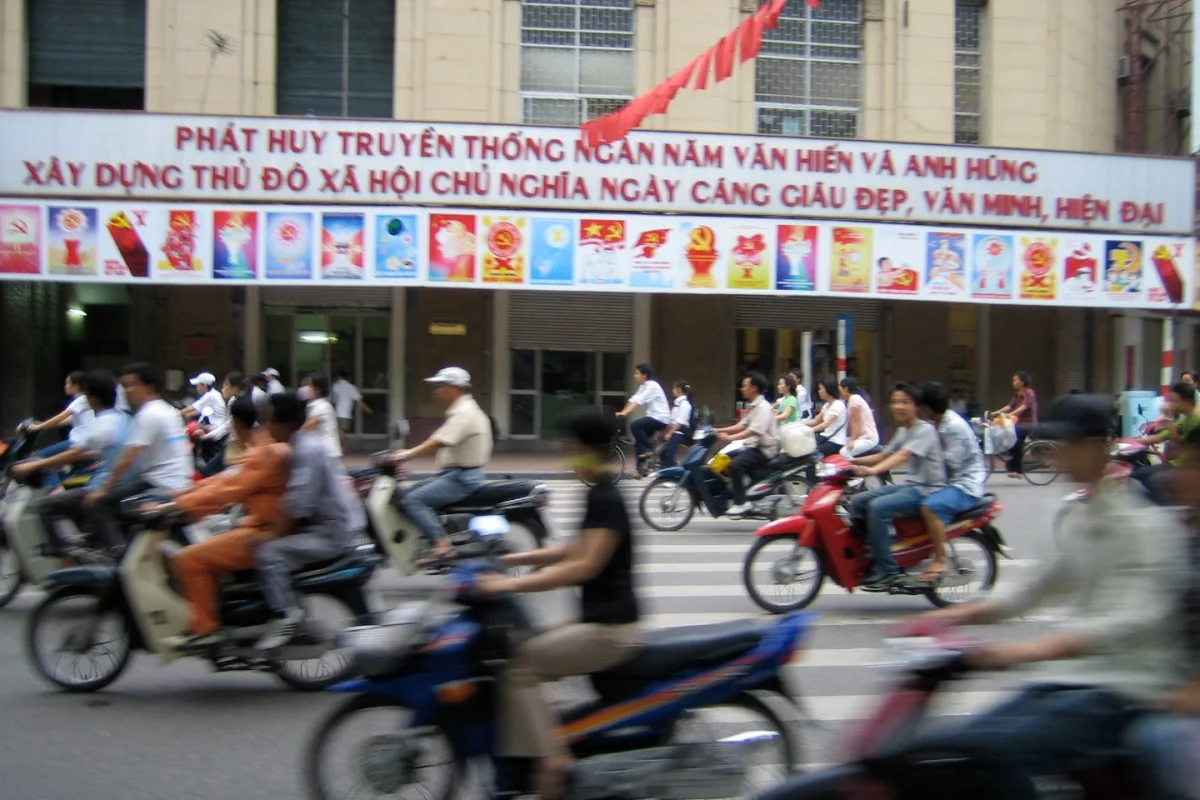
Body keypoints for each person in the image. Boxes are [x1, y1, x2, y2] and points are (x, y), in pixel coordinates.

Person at [896, 394, 1189, 798]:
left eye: (1072, 446)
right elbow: (1033, 592)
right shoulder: (1081, 517)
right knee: (960, 744)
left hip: (1123, 689)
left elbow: (1125, 619)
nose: (1061, 457)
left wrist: (1023, 652)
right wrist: (954, 617)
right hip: (1069, 682)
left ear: (1101, 447)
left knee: (998, 751)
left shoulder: (1145, 527)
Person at [474, 406, 642, 800]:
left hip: (611, 631)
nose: (567, 456)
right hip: (602, 621)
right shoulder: (600, 493)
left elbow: (583, 566)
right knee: (527, 643)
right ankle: (541, 741)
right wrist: (513, 559)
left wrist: (507, 586)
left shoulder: (605, 497)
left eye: (570, 447)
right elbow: (575, 549)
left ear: (588, 449)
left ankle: (552, 761)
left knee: (519, 668)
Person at [152, 397, 291, 649]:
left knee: (188, 559)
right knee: (209, 539)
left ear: (237, 423)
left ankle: (205, 628)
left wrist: (177, 505)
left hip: (263, 530)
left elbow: (227, 489)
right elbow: (224, 480)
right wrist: (183, 495)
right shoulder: (261, 447)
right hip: (257, 524)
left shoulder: (263, 452)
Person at [255, 391, 365, 649]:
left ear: (286, 424)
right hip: (325, 525)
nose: (267, 427)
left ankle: (288, 616)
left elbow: (298, 501)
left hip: (330, 533)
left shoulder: (306, 450)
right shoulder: (301, 445)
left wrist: (270, 535)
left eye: (270, 421)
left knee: (269, 554)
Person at [1125, 425, 1200, 799]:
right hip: (1163, 673)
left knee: (1156, 740)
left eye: (1192, 464)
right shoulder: (1178, 531)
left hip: (1185, 695)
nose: (1176, 474)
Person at [849, 382, 947, 590]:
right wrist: (850, 461)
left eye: (905, 402)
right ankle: (871, 551)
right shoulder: (904, 429)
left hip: (927, 491)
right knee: (858, 501)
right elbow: (885, 454)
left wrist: (873, 471)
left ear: (916, 406)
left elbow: (903, 455)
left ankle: (887, 570)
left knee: (878, 507)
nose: (899, 407)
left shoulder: (925, 430)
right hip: (911, 486)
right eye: (894, 402)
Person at [22, 370, 129, 559]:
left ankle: (62, 551)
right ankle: (87, 541)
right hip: (112, 479)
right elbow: (90, 451)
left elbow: (76, 453)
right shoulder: (122, 419)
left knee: (45, 506)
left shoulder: (104, 424)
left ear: (93, 397)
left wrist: (32, 466)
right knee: (75, 489)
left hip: (107, 485)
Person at [85, 362, 192, 550]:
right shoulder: (168, 410)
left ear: (148, 386)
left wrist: (102, 489)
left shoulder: (148, 414)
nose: (127, 391)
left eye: (131, 385)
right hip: (178, 481)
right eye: (124, 386)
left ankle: (118, 554)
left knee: (101, 504)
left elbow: (128, 458)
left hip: (160, 484)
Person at [393, 367, 493, 564]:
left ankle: (442, 545)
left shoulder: (465, 412)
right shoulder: (461, 410)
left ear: (454, 388)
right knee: (405, 496)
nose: (436, 390)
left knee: (414, 500)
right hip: (454, 474)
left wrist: (409, 453)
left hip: (462, 477)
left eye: (440, 385)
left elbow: (439, 440)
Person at [915, 381, 987, 583]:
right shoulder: (939, 422)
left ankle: (940, 559)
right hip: (953, 481)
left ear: (928, 407)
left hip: (965, 485)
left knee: (929, 507)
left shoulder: (952, 427)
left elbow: (950, 463)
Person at [714, 372, 780, 517]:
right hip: (754, 445)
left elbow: (752, 431)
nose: (742, 389)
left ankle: (741, 502)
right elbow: (741, 425)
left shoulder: (763, 407)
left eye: (745, 386)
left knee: (735, 466)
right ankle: (737, 492)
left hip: (765, 448)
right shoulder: (754, 406)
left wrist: (730, 437)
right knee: (724, 459)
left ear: (754, 388)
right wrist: (717, 430)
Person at [1132, 380, 1200, 505]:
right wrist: (1132, 441)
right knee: (1137, 474)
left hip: (1189, 467)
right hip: (1178, 463)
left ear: (1188, 401)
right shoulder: (1186, 418)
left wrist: (1169, 419)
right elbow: (1161, 437)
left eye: (1175, 401)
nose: (1171, 404)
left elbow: (1183, 449)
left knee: (1152, 480)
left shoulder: (1196, 421)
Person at [23, 371, 95, 482]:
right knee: (74, 473)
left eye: (67, 383)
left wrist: (39, 427)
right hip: (87, 444)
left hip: (77, 443)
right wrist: (43, 425)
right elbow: (68, 420)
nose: (65, 386)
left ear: (75, 386)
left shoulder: (80, 401)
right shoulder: (86, 400)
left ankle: (55, 488)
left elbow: (60, 417)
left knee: (40, 458)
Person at [617, 364, 671, 467]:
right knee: (639, 443)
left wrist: (625, 413)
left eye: (637, 373)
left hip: (660, 418)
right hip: (653, 417)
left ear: (644, 375)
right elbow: (633, 399)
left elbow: (638, 401)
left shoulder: (652, 386)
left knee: (635, 425)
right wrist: (622, 412)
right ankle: (640, 470)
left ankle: (650, 449)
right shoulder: (643, 386)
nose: (634, 375)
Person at [196, 371, 245, 478]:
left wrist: (207, 435)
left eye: (226, 384)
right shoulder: (233, 400)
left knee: (209, 472)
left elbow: (228, 425)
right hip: (230, 442)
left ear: (235, 387)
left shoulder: (240, 403)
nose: (224, 388)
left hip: (237, 445)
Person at [992, 371, 1038, 478]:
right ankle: (1012, 463)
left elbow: (1024, 407)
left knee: (1016, 440)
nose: (1013, 382)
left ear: (1022, 382)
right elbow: (1008, 406)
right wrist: (995, 413)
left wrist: (1010, 414)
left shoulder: (1029, 393)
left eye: (1015, 380)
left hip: (1028, 424)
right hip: (1019, 422)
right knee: (1006, 434)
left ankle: (1016, 469)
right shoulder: (1017, 393)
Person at [302, 372, 342, 458]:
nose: (305, 389)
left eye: (308, 386)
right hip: (321, 453)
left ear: (317, 390)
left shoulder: (321, 407)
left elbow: (307, 427)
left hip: (327, 454)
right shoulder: (314, 405)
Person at [808, 377, 848, 458]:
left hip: (835, 442)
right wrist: (799, 424)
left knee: (811, 454)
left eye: (821, 389)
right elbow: (816, 421)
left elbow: (826, 424)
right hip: (825, 438)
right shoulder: (826, 405)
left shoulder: (838, 404)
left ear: (828, 390)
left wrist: (809, 430)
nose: (819, 391)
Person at [331, 369, 372, 448]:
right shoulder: (351, 387)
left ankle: (342, 448)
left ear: (338, 376)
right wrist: (368, 410)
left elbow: (333, 400)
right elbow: (359, 402)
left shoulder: (335, 386)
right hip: (346, 413)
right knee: (342, 432)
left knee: (340, 432)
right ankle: (342, 448)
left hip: (336, 412)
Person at [839, 377, 880, 457]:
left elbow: (855, 421)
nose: (839, 392)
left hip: (868, 438)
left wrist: (852, 441)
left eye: (840, 389)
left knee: (844, 452)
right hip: (862, 437)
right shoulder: (853, 399)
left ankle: (855, 469)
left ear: (846, 389)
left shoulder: (854, 399)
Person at [660, 380, 695, 469]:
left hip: (681, 431)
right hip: (675, 429)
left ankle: (674, 470)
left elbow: (680, 423)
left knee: (669, 453)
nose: (672, 391)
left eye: (673, 388)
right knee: (662, 452)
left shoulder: (685, 404)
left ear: (678, 390)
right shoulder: (677, 403)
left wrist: (669, 433)